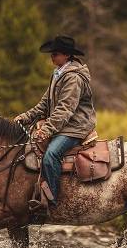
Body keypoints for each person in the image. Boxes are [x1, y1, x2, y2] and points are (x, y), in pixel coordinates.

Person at [14, 35, 96, 211]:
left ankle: (52, 200)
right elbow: (45, 103)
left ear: (66, 55)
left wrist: (47, 130)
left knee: (51, 155)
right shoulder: (59, 73)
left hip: (75, 127)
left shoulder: (73, 77)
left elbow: (65, 108)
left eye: (55, 53)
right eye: (52, 53)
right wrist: (26, 117)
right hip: (64, 125)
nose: (52, 56)